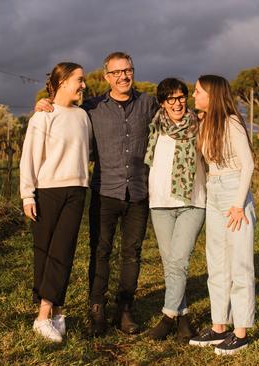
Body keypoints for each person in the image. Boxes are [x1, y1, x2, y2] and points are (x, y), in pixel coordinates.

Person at [35, 52, 159, 336]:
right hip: (104, 192)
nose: (122, 77)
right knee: (100, 252)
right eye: (116, 73)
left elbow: (176, 115)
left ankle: (125, 310)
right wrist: (44, 103)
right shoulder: (91, 107)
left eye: (127, 70)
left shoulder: (148, 104)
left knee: (132, 254)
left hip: (139, 192)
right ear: (106, 77)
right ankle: (97, 310)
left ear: (133, 72)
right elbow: (62, 109)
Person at [20, 62, 90, 343]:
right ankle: (46, 315)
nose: (84, 85)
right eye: (79, 80)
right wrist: (27, 194)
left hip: (77, 190)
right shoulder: (42, 116)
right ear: (62, 82)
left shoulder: (84, 116)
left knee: (64, 251)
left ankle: (52, 313)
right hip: (47, 191)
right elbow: (30, 157)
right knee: (46, 253)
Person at [187, 75, 256, 356]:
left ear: (212, 95)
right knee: (216, 263)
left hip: (233, 195)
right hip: (214, 193)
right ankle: (219, 327)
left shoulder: (231, 123)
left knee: (240, 264)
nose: (193, 95)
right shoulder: (204, 123)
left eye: (198, 91)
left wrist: (239, 204)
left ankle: (241, 332)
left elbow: (248, 165)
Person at [144, 78, 205, 343]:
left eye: (181, 97)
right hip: (160, 203)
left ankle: (168, 316)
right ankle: (184, 319)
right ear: (162, 103)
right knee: (171, 265)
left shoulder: (201, 125)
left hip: (193, 202)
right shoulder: (155, 125)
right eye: (171, 99)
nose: (178, 103)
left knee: (179, 261)